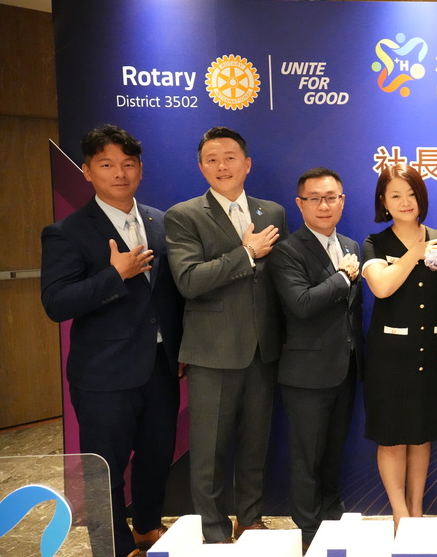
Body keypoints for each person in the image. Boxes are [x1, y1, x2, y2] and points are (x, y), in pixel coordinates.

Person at [40, 125, 184, 557]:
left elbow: (172, 295)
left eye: (128, 164)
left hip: (160, 365)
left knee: (156, 457)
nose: (119, 173)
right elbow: (56, 303)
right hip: (104, 373)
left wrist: (181, 349)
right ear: (87, 171)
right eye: (106, 164)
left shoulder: (161, 220)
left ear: (140, 168)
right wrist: (114, 275)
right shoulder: (67, 231)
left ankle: (147, 528)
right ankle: (112, 547)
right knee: (104, 468)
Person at [165, 126, 288, 543]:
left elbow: (280, 280)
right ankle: (215, 532)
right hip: (212, 352)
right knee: (210, 451)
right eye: (212, 159)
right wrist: (247, 253)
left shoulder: (272, 213)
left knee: (255, 445)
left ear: (247, 164)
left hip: (262, 350)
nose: (222, 166)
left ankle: (250, 519)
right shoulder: (184, 215)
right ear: (201, 167)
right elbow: (189, 280)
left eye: (230, 157)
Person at [361, 164, 437, 530]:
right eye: (396, 195)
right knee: (392, 438)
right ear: (383, 202)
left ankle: (417, 510)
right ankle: (399, 514)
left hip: (433, 352)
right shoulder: (375, 243)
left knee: (421, 436)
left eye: (411, 194)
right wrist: (414, 254)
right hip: (390, 356)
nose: (405, 202)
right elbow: (382, 287)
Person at [268, 167, 362, 549]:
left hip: (346, 368)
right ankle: (308, 531)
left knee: (333, 453)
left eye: (331, 198)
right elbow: (302, 304)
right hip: (306, 373)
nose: (324, 206)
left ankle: (332, 520)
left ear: (342, 201)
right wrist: (341, 278)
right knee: (306, 456)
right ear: (300, 203)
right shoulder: (287, 251)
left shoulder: (351, 245)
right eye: (315, 199)